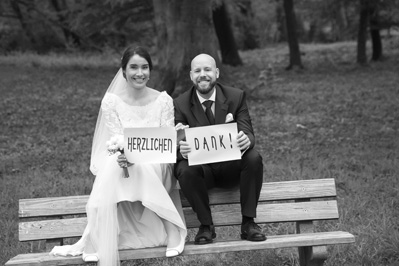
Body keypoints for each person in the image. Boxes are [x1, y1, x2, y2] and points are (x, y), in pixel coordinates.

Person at [50, 46, 187, 266]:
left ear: (150, 71)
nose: (139, 73)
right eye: (133, 67)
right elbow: (116, 141)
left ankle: (170, 230)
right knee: (117, 163)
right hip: (122, 164)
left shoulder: (163, 100)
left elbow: (166, 144)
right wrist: (125, 155)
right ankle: (97, 237)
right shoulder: (111, 102)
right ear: (123, 71)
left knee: (137, 165)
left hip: (159, 166)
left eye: (144, 67)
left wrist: (136, 156)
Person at [173, 53, 266, 245]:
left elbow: (248, 133)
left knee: (253, 157)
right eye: (197, 71)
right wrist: (182, 149)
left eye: (207, 69)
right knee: (183, 168)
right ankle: (206, 226)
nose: (203, 75)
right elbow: (175, 148)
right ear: (191, 76)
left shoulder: (235, 96)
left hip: (230, 168)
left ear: (216, 72)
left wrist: (245, 140)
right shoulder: (180, 104)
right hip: (202, 172)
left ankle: (249, 222)